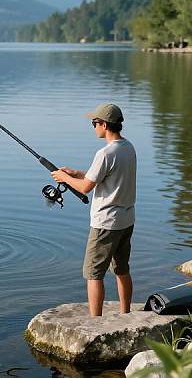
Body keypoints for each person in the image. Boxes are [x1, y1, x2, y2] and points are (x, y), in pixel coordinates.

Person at [51, 103, 136, 317]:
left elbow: (86, 188)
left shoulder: (105, 153)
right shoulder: (128, 148)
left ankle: (94, 323)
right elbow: (102, 176)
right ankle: (126, 314)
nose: (93, 126)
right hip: (126, 220)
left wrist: (64, 178)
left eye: (94, 123)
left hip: (105, 223)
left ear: (104, 125)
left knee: (93, 274)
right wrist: (75, 173)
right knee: (122, 269)